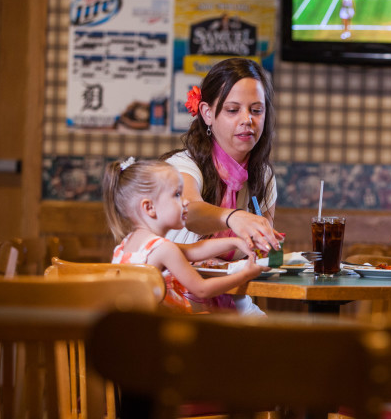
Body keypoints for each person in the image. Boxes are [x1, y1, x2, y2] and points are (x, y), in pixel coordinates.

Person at [163, 57, 283, 315]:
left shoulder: (263, 177)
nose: (247, 120)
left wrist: (269, 249)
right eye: (232, 110)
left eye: (256, 110)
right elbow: (191, 212)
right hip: (176, 302)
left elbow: (264, 256)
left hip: (234, 300)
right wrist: (234, 218)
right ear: (207, 113)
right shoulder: (182, 166)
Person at [103, 158, 269, 313]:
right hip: (163, 335)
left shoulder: (127, 244)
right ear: (149, 207)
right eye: (176, 195)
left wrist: (235, 242)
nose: (185, 201)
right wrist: (245, 275)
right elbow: (202, 289)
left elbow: (193, 250)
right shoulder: (163, 249)